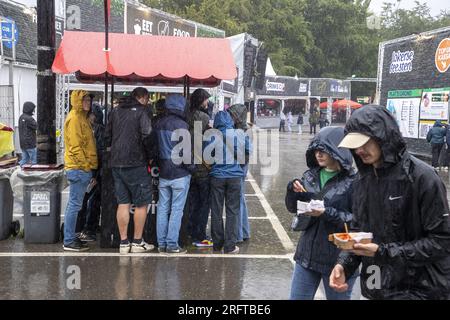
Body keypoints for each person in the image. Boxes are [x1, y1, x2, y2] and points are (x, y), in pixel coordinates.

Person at [330, 105, 450, 300]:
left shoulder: (423, 177)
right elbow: (358, 231)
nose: (359, 150)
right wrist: (343, 264)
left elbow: (442, 241)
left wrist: (384, 252)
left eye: (365, 143)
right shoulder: (362, 180)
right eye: (354, 145)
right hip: (374, 284)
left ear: (383, 136)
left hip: (419, 290)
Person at [285, 126, 357, 300]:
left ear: (338, 151)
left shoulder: (354, 182)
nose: (319, 154)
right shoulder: (309, 176)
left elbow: (358, 222)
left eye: (324, 149)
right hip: (306, 257)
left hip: (337, 259)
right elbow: (293, 208)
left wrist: (326, 213)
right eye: (316, 150)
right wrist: (292, 191)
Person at [105, 87, 154, 254]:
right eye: (147, 99)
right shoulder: (141, 112)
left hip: (116, 163)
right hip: (136, 162)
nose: (148, 102)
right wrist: (151, 155)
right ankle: (137, 242)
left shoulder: (115, 111)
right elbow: (147, 134)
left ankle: (123, 243)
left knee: (123, 203)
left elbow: (107, 136)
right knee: (141, 203)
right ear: (142, 98)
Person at [152, 94, 193, 254]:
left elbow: (154, 148)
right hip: (179, 173)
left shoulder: (158, 123)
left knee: (162, 208)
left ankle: (161, 243)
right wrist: (192, 168)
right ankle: (172, 244)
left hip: (163, 172)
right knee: (176, 209)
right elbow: (186, 153)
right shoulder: (182, 125)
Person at [209, 111, 249, 254]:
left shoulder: (211, 136)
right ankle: (230, 246)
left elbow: (207, 156)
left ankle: (217, 244)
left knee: (216, 210)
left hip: (217, 176)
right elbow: (247, 151)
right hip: (235, 177)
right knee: (233, 211)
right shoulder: (239, 134)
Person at [63, 90, 98, 252]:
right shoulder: (76, 119)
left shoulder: (80, 118)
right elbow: (76, 147)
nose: (88, 103)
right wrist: (86, 167)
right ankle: (69, 240)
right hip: (78, 168)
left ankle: (71, 236)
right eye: (84, 100)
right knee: (75, 205)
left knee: (75, 204)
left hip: (79, 168)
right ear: (77, 100)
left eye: (89, 100)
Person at [186, 89, 213, 248]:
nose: (207, 103)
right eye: (206, 100)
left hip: (188, 165)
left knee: (192, 201)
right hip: (202, 166)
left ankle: (189, 230)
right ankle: (200, 234)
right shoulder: (204, 117)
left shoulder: (186, 115)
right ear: (201, 100)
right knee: (204, 203)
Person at [77, 103, 105, 242]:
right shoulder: (99, 129)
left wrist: (94, 174)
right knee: (94, 201)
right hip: (97, 171)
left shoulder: (95, 130)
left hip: (92, 171)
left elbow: (97, 153)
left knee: (87, 201)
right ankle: (89, 227)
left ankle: (87, 229)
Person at [227, 104, 252, 243]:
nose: (230, 117)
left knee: (238, 200)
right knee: (240, 199)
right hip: (240, 166)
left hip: (239, 167)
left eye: (232, 114)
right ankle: (243, 231)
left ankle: (238, 234)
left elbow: (245, 154)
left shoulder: (242, 131)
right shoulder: (240, 129)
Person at [18, 102, 37, 167]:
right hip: (30, 143)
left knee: (25, 159)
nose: (34, 110)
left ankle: (17, 170)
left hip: (23, 143)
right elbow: (37, 126)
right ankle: (35, 174)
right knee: (34, 161)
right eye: (33, 109)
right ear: (30, 109)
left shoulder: (21, 117)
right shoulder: (29, 119)